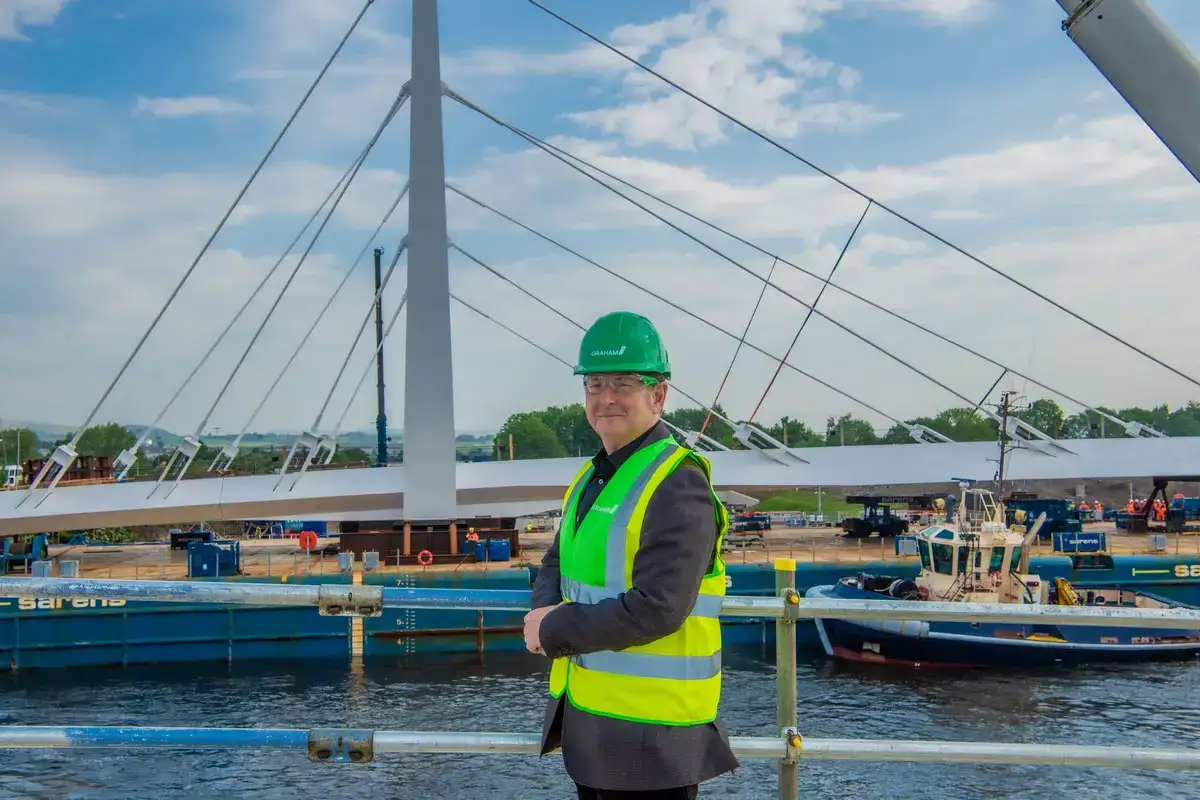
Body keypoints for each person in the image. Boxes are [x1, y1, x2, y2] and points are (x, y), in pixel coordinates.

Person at [522, 311, 739, 799]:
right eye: (595, 384)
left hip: (653, 738)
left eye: (623, 384)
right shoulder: (594, 476)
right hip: (595, 724)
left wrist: (551, 629)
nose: (606, 398)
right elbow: (559, 559)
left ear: (658, 395)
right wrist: (541, 611)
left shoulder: (677, 480)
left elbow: (660, 607)